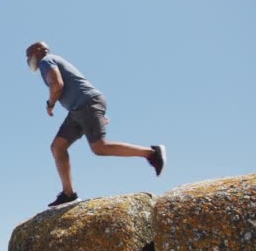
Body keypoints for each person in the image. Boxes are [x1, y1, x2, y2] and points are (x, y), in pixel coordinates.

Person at [26, 41, 166, 207]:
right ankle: (68, 194)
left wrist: (50, 104)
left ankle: (151, 153)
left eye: (28, 56)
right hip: (79, 109)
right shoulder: (52, 60)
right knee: (58, 147)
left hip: (86, 104)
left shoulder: (46, 61)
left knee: (100, 147)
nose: (28, 60)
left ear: (38, 51)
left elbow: (57, 84)